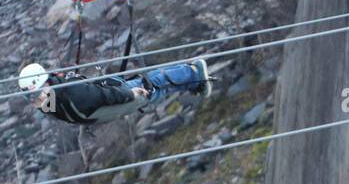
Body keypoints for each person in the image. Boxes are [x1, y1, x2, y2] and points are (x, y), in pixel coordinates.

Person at [17, 59, 211, 126]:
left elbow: (105, 96)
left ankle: (192, 72)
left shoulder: (74, 92)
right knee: (154, 93)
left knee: (150, 86)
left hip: (114, 97)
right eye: (31, 98)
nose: (35, 102)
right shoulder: (47, 101)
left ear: (46, 84)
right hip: (104, 106)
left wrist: (131, 95)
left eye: (36, 95)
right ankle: (193, 82)